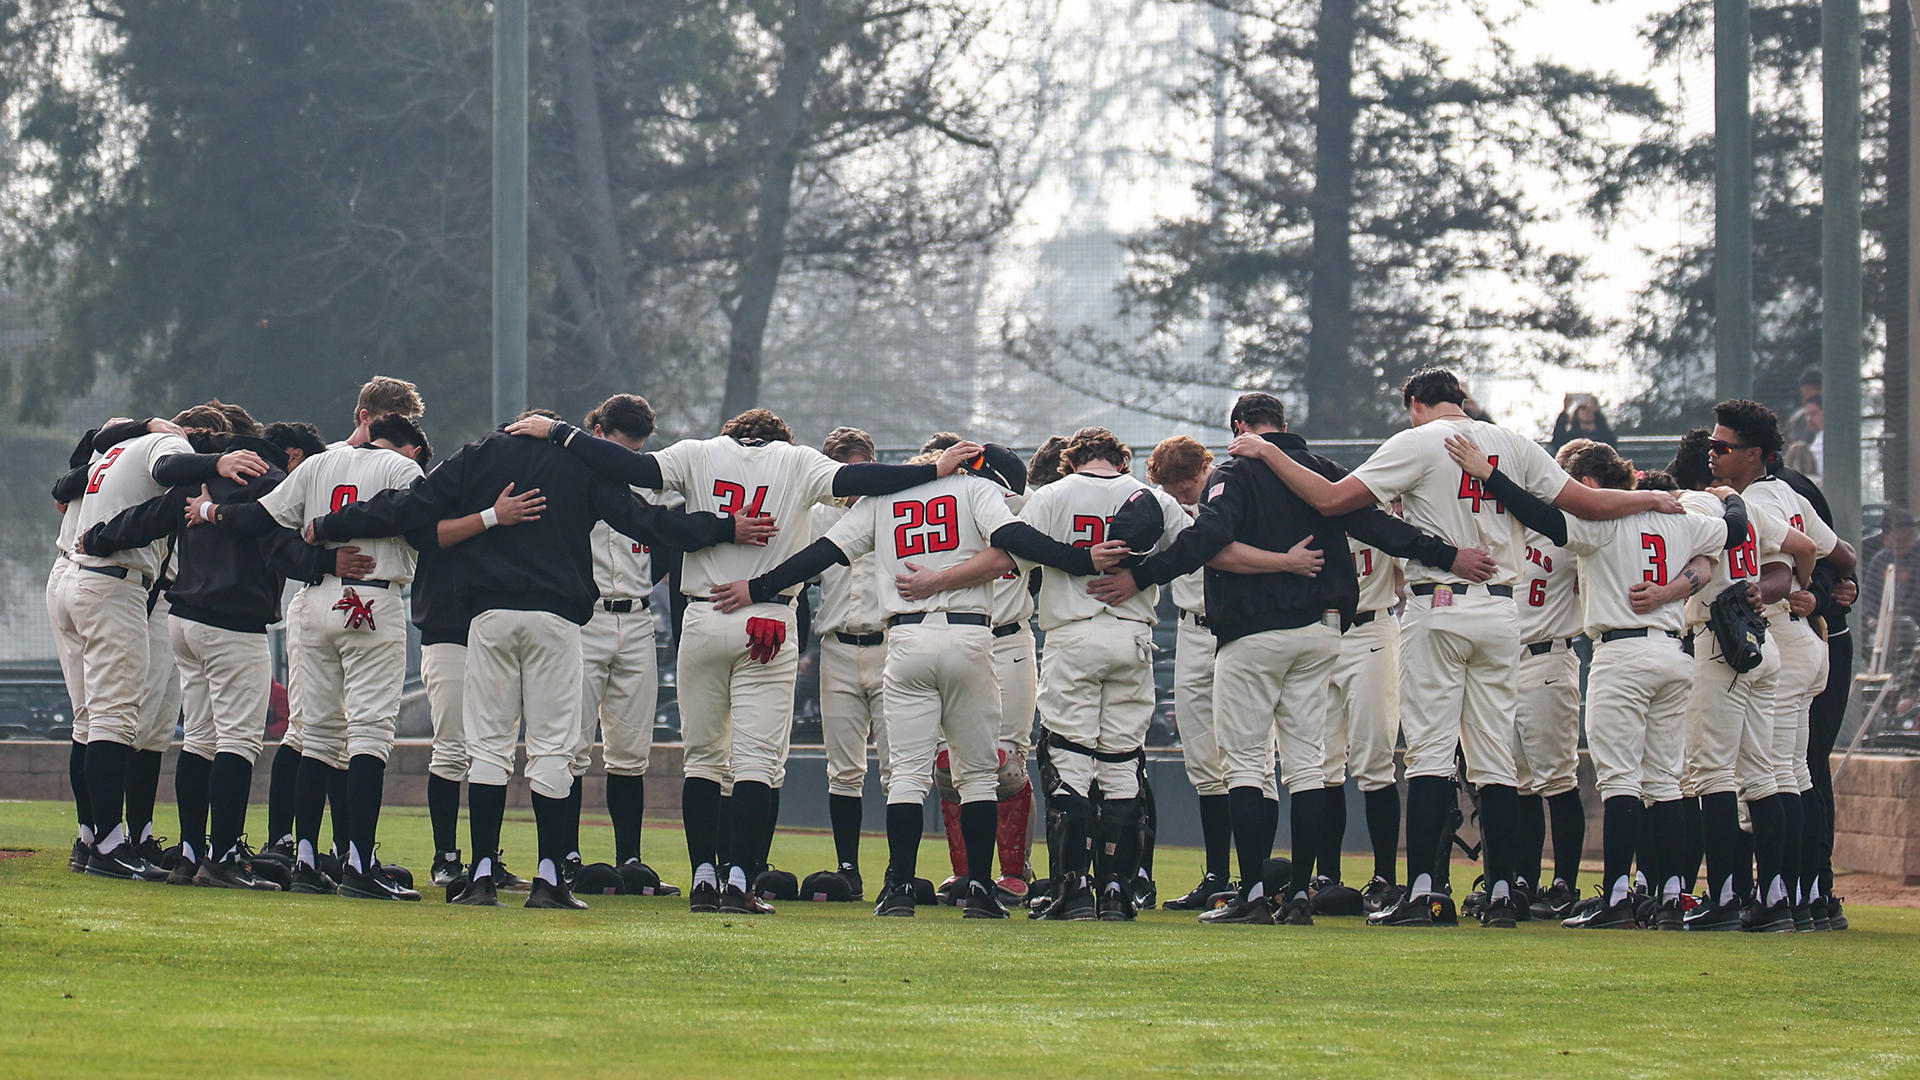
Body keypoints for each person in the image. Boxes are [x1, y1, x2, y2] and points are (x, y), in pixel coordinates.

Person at [1233, 368, 1682, 928]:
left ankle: (1426, 892)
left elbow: (1329, 500)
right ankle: (1501, 894)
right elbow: (1586, 507)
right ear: (1462, 401)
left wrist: (1266, 452)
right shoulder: (1513, 444)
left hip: (1438, 604)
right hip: (1502, 611)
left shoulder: (1417, 440)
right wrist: (1651, 499)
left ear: (1415, 404)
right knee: (1494, 757)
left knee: (1431, 754)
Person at [502, 407, 969, 915]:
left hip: (703, 614)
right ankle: (739, 881)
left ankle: (704, 876)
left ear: (733, 435)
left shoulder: (698, 452)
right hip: (765, 617)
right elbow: (860, 476)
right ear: (780, 437)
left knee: (702, 759)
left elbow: (633, 469)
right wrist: (933, 468)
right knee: (755, 761)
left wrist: (560, 432)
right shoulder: (797, 461)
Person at [303, 410, 771, 909]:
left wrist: (330, 523)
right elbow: (648, 521)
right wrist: (724, 526)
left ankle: (481, 872)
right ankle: (550, 878)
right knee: (551, 746)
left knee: (488, 747)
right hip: (556, 619)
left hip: (489, 616)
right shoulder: (576, 463)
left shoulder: (479, 454)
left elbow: (407, 507)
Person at [1093, 395, 1484, 926]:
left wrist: (1140, 576)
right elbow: (1376, 526)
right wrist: (1448, 555)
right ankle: (1300, 894)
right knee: (1306, 765)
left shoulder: (1234, 471)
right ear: (1283, 424)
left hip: (1255, 633)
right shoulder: (1321, 471)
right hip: (1322, 633)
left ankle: (1253, 893)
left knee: (1249, 765)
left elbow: (1208, 537)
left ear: (1239, 428)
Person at [712, 444, 1125, 918]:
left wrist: (758, 587)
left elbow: (822, 553)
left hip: (904, 641)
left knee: (907, 774)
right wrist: (1081, 559)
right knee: (976, 777)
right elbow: (1016, 537)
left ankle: (900, 888)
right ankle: (979, 891)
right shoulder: (976, 489)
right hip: (969, 635)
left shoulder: (886, 497)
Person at [1450, 436, 1745, 929]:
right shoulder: (1680, 518)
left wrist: (1490, 475)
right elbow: (1733, 533)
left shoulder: (1600, 525)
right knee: (1664, 781)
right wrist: (1730, 493)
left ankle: (1614, 897)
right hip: (1672, 652)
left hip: (1622, 654)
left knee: (1619, 782)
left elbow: (1541, 516)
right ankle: (1672, 895)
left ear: (1590, 486)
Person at [77, 406, 371, 890]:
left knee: (199, 739)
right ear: (290, 455)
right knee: (238, 741)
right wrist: (324, 561)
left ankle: (191, 854)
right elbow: (277, 543)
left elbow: (151, 517)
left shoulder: (204, 473)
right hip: (234, 620)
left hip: (184, 618)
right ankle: (224, 855)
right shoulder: (270, 476)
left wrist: (96, 536)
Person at [195, 412, 432, 900]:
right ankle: (360, 866)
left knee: (315, 735)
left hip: (315, 599)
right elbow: (418, 517)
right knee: (368, 732)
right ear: (409, 448)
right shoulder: (402, 467)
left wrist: (210, 513)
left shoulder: (321, 463)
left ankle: (304, 858)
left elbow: (261, 516)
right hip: (371, 597)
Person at [1706, 399, 1857, 930]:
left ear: (1755, 455)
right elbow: (1848, 556)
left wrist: (1794, 584)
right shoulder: (1791, 493)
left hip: (1783, 644)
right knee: (1795, 775)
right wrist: (1829, 583)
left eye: (1724, 447)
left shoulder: (1758, 498)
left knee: (1772, 777)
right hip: (1805, 645)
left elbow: (1791, 555)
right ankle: (1808, 898)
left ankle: (1780, 900)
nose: (1713, 455)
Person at [1663, 429, 1815, 930]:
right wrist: (1798, 587)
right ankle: (1774, 900)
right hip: (1763, 643)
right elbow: (1804, 548)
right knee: (1762, 773)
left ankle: (1725, 896)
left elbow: (1701, 571)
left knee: (1712, 774)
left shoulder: (1697, 504)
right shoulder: (1745, 506)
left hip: (1719, 644)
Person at [570, 394, 680, 892]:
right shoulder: (569, 469)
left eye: (635, 449)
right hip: (583, 617)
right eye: (620, 446)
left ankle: (629, 858)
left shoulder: (648, 480)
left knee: (631, 749)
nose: (627, 456)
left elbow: (667, 541)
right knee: (571, 743)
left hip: (636, 618)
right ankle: (564, 853)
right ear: (598, 432)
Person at [805, 427, 889, 900]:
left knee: (898, 767)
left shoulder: (893, 510)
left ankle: (900, 872)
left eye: (860, 468)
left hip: (890, 643)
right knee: (844, 767)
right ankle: (848, 868)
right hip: (836, 646)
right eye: (844, 471)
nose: (853, 481)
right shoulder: (817, 516)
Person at [1511, 512, 1585, 921]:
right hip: (1503, 663)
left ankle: (1564, 884)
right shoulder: (1498, 529)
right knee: (1519, 781)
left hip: (1548, 655)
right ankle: (1523, 878)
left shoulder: (1568, 533)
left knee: (1557, 777)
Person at [1550, 394, 1616, 451]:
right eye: (1583, 408)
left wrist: (1597, 412)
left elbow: (1611, 444)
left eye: (1590, 408)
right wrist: (1565, 410)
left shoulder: (1604, 436)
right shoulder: (1572, 437)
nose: (1587, 411)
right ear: (1577, 413)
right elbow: (1558, 441)